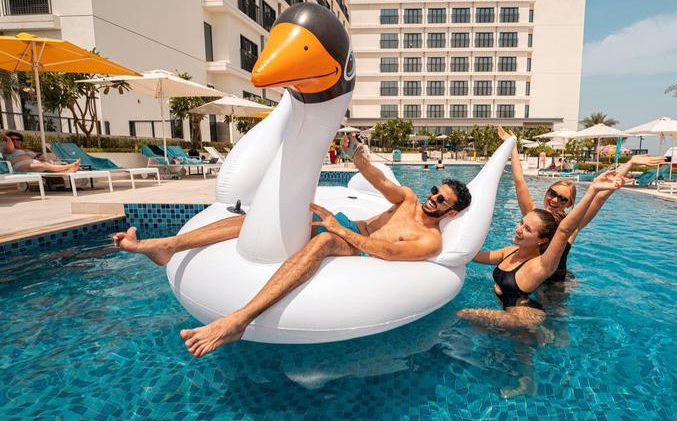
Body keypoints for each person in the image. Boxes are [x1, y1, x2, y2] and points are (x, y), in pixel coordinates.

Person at [113, 135, 473, 358]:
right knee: (269, 219)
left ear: (451, 212)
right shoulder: (408, 199)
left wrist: (336, 229)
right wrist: (358, 156)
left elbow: (387, 253)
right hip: (351, 225)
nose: (432, 200)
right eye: (434, 193)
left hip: (361, 247)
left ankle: (240, 319)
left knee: (324, 241)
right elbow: (380, 181)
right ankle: (165, 245)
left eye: (441, 202)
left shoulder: (430, 240)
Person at [457, 171, 628, 333]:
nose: (518, 229)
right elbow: (472, 255)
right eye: (521, 223)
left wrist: (592, 189)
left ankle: (555, 332)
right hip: (514, 310)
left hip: (523, 318)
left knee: (463, 314)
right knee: (521, 359)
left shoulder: (540, 265)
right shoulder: (509, 252)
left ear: (542, 240)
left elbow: (564, 231)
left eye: (527, 229)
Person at [497, 127, 661, 281]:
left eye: (562, 199)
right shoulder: (531, 216)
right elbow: (519, 182)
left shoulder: (571, 225)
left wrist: (630, 164)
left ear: (569, 204)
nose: (554, 200)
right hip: (528, 278)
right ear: (547, 192)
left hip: (555, 284)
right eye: (552, 193)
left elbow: (600, 197)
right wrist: (512, 145)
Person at [1, 130, 80, 173]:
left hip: (32, 163)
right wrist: (7, 138)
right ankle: (69, 166)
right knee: (45, 165)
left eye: (17, 139)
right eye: (12, 139)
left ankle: (68, 171)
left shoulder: (25, 150)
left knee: (47, 165)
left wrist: (39, 158)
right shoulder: (6, 148)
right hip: (19, 166)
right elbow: (10, 147)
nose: (14, 141)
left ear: (21, 142)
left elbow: (36, 156)